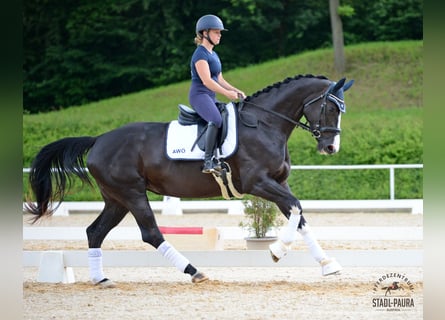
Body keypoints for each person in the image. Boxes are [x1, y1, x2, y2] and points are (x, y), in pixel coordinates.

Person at [189, 14, 246, 173]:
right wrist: (227, 94)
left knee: (229, 115)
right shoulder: (200, 54)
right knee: (215, 119)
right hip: (199, 95)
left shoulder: (214, 54)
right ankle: (208, 161)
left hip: (209, 96)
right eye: (216, 32)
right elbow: (207, 81)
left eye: (220, 32)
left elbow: (219, 79)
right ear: (204, 33)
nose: (220, 35)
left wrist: (235, 90)